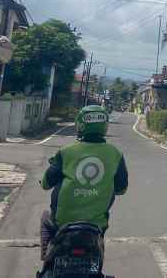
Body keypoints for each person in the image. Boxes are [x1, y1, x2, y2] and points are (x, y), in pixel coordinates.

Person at [39, 105, 128, 259]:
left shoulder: (66, 152)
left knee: (45, 217)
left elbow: (46, 183)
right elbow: (121, 189)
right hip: (96, 225)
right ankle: (96, 262)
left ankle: (46, 255)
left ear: (79, 125)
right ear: (105, 126)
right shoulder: (116, 154)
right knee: (98, 244)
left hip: (62, 222)